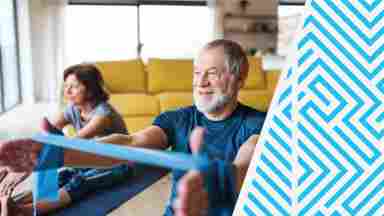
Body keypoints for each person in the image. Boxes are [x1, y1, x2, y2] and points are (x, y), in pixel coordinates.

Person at [0, 39, 266, 216]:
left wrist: (216, 182)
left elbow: (245, 164)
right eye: (197, 73)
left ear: (239, 78)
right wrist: (59, 152)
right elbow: (130, 143)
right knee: (68, 176)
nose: (201, 82)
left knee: (82, 182)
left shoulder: (257, 123)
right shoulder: (179, 119)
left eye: (213, 73)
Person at [0, 64, 133, 215]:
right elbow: (46, 136)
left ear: (90, 90)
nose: (67, 91)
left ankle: (24, 211)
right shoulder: (73, 109)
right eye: (66, 86)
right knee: (62, 176)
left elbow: (71, 145)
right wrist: (16, 163)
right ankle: (13, 202)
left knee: (80, 182)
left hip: (118, 163)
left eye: (74, 86)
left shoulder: (103, 115)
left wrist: (31, 164)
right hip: (90, 160)